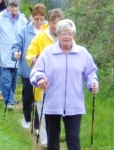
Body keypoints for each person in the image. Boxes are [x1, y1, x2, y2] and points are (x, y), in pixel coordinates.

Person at [30, 19, 99, 150]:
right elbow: (37, 71)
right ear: (58, 35)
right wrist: (40, 79)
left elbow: (91, 73)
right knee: (53, 140)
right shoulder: (48, 53)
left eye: (70, 33)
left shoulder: (82, 53)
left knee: (73, 139)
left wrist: (92, 84)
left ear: (73, 35)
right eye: (63, 33)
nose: (67, 37)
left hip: (74, 104)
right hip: (52, 103)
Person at [26, 8, 64, 148]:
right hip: (42, 83)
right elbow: (29, 53)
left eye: (58, 23)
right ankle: (44, 142)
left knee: (55, 117)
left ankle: (53, 140)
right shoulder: (41, 36)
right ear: (50, 22)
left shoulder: (67, 37)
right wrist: (33, 60)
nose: (55, 26)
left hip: (60, 85)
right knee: (42, 112)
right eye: (53, 22)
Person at [13, 3, 47, 147]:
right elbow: (17, 44)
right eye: (36, 18)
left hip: (43, 73)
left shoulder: (47, 32)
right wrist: (16, 52)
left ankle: (39, 125)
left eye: (41, 19)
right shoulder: (25, 30)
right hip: (27, 70)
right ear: (32, 17)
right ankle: (27, 118)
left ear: (44, 18)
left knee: (40, 100)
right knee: (28, 97)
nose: (38, 21)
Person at [0, 0, 27, 110]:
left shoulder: (22, 19)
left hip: (17, 56)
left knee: (13, 82)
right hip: (3, 55)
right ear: (8, 6)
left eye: (16, 6)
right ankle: (9, 103)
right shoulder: (0, 17)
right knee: (6, 80)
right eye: (12, 6)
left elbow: (28, 32)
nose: (14, 9)